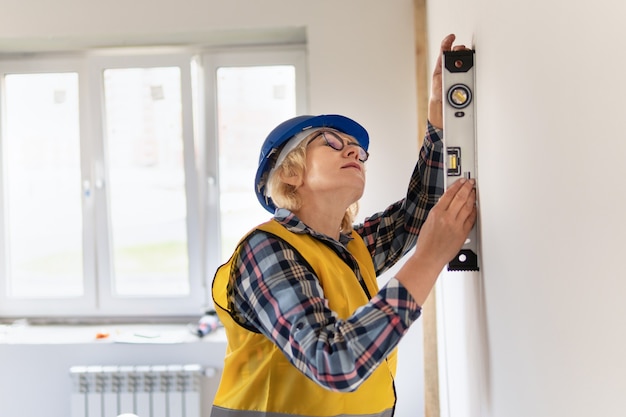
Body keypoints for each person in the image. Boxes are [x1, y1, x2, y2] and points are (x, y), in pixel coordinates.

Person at [211, 34, 476, 417]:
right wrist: (430, 259)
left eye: (358, 149)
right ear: (289, 173)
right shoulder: (266, 251)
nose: (354, 151)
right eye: (332, 143)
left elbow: (416, 216)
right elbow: (333, 363)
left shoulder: (350, 249)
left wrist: (438, 117)